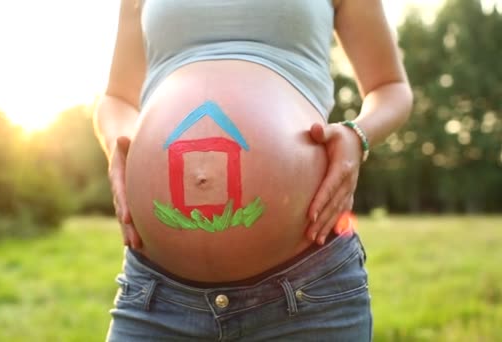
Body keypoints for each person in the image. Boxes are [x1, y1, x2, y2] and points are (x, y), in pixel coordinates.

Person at [94, 0, 412, 340]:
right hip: (156, 299)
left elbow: (390, 87)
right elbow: (117, 99)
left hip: (307, 294)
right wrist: (118, 145)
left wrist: (357, 134)